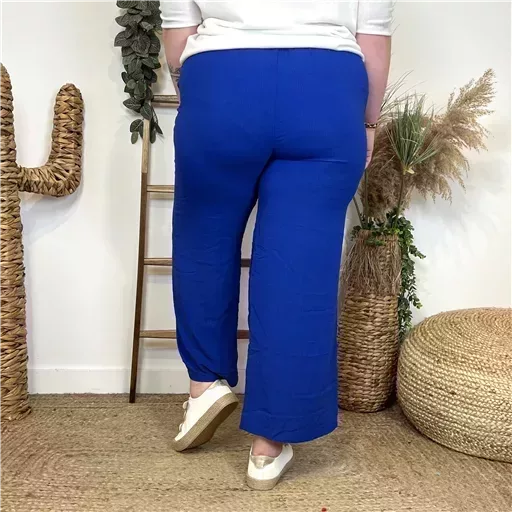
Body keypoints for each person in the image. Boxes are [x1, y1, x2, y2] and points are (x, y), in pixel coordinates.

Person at [161, 0, 392, 490]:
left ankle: (204, 387)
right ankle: (268, 445)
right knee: (299, 265)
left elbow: (177, 34)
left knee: (204, 238)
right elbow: (373, 40)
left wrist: (201, 94)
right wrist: (368, 123)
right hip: (327, 89)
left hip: (221, 81)